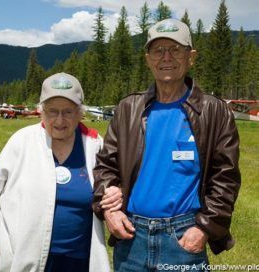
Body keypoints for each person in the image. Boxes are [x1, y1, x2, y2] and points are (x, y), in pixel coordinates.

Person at [93, 18, 241, 272]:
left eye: (175, 49)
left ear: (191, 56)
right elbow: (105, 166)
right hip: (131, 238)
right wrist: (109, 209)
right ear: (148, 58)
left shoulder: (213, 111)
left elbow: (225, 179)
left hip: (183, 238)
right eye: (158, 50)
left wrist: (204, 228)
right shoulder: (128, 109)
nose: (166, 57)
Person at [0, 72, 122, 272]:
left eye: (68, 112)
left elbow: (112, 181)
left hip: (80, 261)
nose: (60, 120)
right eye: (52, 111)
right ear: (41, 111)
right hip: (24, 259)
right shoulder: (22, 141)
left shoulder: (94, 144)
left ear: (80, 113)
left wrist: (118, 191)